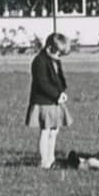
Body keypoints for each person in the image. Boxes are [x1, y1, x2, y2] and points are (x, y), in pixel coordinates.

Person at [25, 32, 71, 169]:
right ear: (50, 48)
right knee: (45, 131)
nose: (59, 56)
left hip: (55, 101)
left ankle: (51, 158)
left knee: (54, 131)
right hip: (44, 101)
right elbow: (42, 83)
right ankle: (43, 160)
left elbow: (59, 80)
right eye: (58, 53)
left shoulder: (55, 61)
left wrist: (62, 92)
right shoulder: (39, 61)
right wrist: (56, 95)